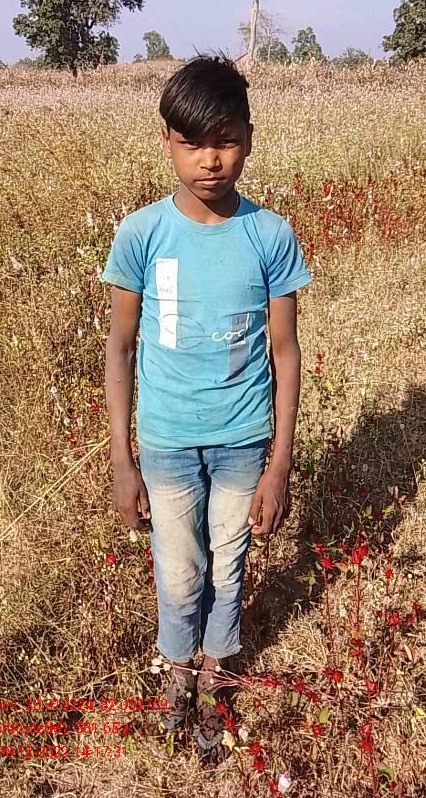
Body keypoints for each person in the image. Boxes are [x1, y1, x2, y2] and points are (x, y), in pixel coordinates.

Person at [101, 52, 311, 767]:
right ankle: (177, 678)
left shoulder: (270, 236)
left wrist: (279, 466)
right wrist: (122, 461)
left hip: (243, 439)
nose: (210, 161)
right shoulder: (141, 235)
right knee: (178, 569)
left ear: (249, 139)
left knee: (229, 563)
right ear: (167, 142)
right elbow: (119, 350)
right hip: (164, 440)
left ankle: (216, 678)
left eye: (225, 141)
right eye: (192, 144)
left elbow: (285, 353)